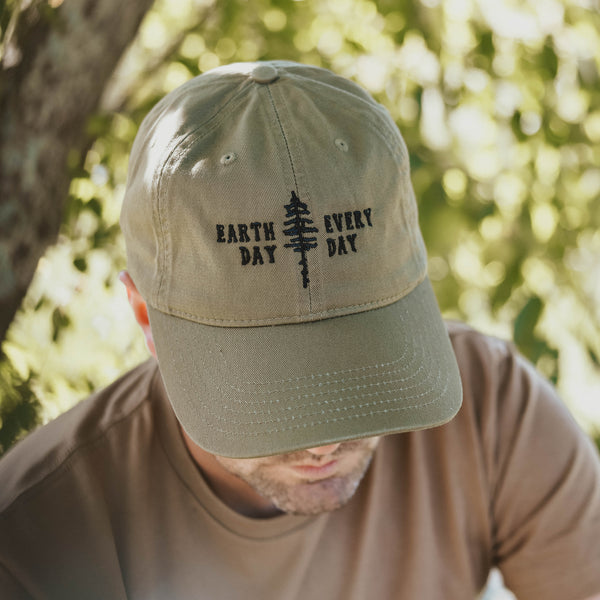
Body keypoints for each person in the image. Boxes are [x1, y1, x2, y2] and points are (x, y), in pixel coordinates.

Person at [0, 60, 599, 600]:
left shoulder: (492, 407)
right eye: (269, 382)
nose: (322, 447)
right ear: (144, 316)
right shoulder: (35, 542)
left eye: (363, 362)